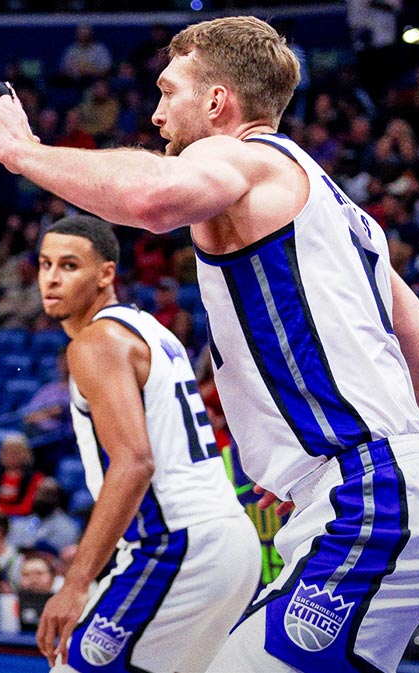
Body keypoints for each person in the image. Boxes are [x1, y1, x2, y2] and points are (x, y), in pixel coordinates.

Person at [0, 16, 419, 673]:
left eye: (167, 91)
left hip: (375, 499)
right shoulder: (343, 213)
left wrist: (21, 152)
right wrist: (315, 457)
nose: (155, 115)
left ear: (216, 101)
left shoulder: (243, 154)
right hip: (406, 488)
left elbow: (149, 200)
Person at [32, 216, 259, 672]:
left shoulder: (97, 341)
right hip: (229, 541)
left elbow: (134, 462)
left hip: (177, 543)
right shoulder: (147, 330)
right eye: (45, 264)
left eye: (70, 265)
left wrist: (77, 583)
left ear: (106, 274)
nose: (52, 278)